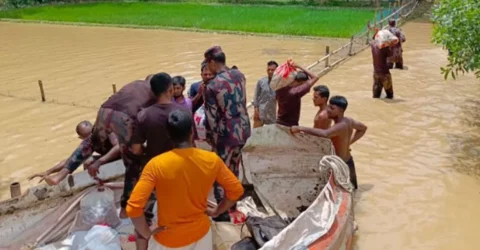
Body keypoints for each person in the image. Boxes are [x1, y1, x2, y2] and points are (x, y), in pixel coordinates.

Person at [126, 110, 244, 250]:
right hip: (201, 237)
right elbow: (236, 191)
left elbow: (133, 208)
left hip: (168, 240)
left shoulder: (155, 165)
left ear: (169, 135)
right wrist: (217, 210)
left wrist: (146, 233)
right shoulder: (211, 160)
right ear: (192, 132)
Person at [203, 46, 250, 219]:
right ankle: (233, 206)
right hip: (244, 130)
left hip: (226, 134)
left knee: (220, 172)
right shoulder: (240, 75)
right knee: (234, 168)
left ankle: (221, 214)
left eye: (208, 64)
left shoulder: (212, 86)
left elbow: (211, 118)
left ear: (213, 62)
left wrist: (212, 142)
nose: (208, 68)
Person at [291, 96, 367, 190]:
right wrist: (349, 143)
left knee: (341, 194)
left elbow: (325, 134)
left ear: (341, 111)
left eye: (332, 108)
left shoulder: (340, 126)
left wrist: (300, 128)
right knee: (353, 192)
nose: (328, 110)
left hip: (340, 166)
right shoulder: (349, 121)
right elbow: (363, 129)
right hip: (349, 161)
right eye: (328, 107)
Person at [27, 120, 120, 185]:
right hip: (113, 158)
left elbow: (119, 147)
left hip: (127, 155)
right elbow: (71, 160)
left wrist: (99, 162)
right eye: (87, 138)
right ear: (82, 139)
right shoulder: (89, 143)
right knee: (87, 162)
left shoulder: (106, 129)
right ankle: (92, 184)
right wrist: (48, 171)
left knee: (90, 161)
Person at [276, 61, 320, 127]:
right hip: (289, 125)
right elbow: (315, 77)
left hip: (279, 122)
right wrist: (299, 66)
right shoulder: (296, 91)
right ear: (302, 82)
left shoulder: (280, 87)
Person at [252, 61, 278, 128]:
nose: (270, 71)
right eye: (268, 70)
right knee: (256, 134)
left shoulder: (279, 83)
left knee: (272, 135)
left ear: (277, 70)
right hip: (261, 113)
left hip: (272, 113)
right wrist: (255, 110)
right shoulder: (261, 81)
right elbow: (256, 96)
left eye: (272, 70)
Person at [371, 33, 394, 99]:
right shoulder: (385, 47)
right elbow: (391, 54)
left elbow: (373, 39)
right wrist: (390, 45)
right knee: (390, 96)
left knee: (375, 96)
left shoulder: (373, 45)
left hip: (376, 73)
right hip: (385, 73)